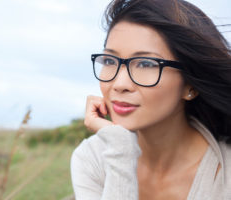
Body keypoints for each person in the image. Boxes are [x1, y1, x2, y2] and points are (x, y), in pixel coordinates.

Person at [70, 0, 231, 199]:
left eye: (146, 64)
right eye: (110, 61)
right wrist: (120, 151)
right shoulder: (92, 158)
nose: (119, 84)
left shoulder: (225, 174)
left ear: (191, 85)